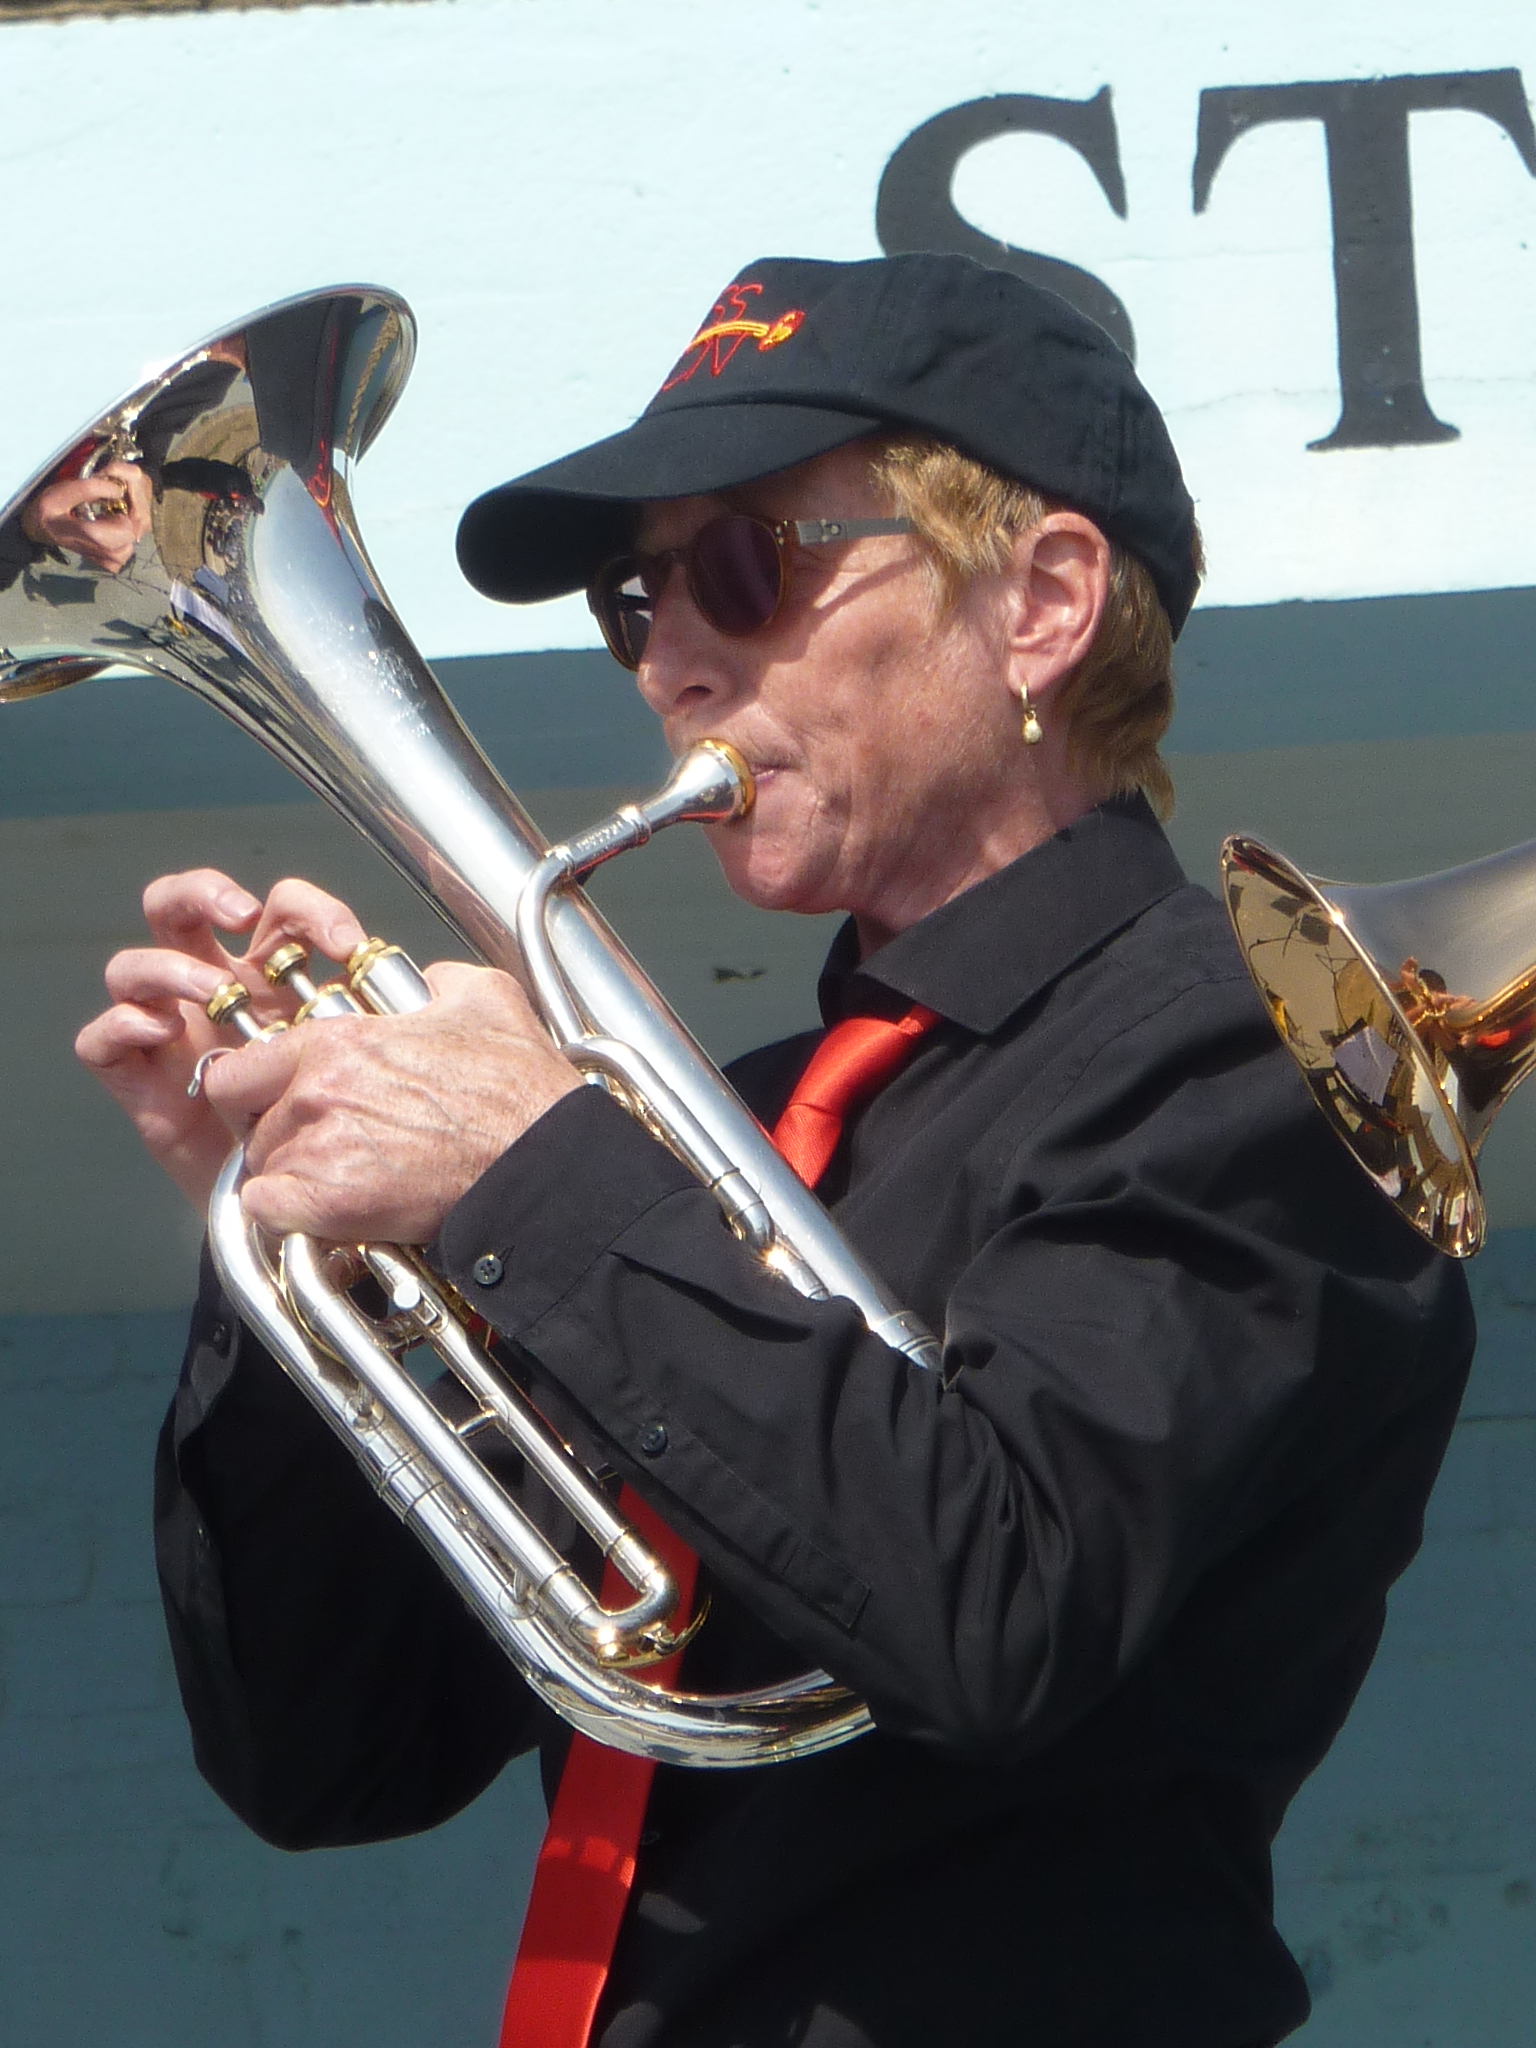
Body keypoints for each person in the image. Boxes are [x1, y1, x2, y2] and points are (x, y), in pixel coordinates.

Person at [78, 254, 1474, 2048]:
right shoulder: (713, 1126)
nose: (668, 660)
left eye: (745, 568)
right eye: (632, 599)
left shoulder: (1257, 1060)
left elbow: (1000, 1603)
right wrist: (290, 1209)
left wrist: (532, 1167)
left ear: (1042, 603)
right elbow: (334, 1757)